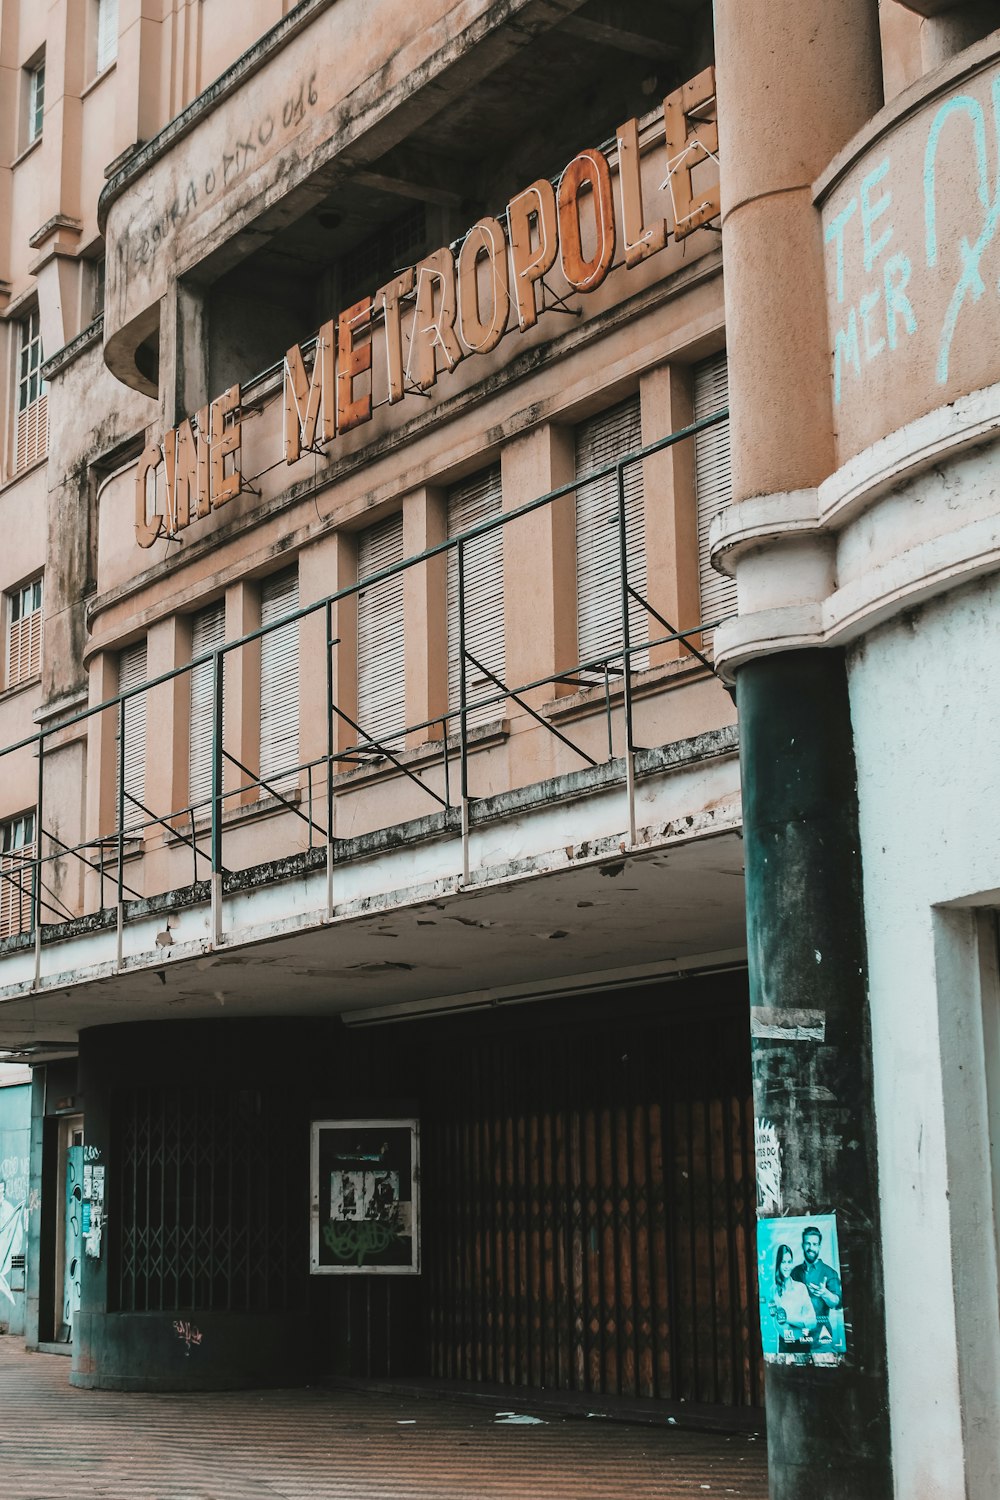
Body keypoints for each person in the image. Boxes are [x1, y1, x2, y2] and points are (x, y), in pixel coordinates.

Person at [791, 1224, 842, 1344]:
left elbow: (836, 1303)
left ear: (819, 1246)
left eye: (814, 1244)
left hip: (821, 1337)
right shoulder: (794, 1272)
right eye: (808, 1243)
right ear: (803, 1245)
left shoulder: (829, 1273)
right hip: (797, 1334)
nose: (811, 1248)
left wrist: (824, 1293)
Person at [770, 1243, 817, 1351]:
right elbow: (777, 1321)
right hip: (783, 1345)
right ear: (778, 1264)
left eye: (789, 1262)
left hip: (801, 1344)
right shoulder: (774, 1289)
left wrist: (787, 1318)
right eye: (783, 1262)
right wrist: (800, 1323)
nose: (787, 1266)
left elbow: (812, 1322)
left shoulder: (801, 1288)